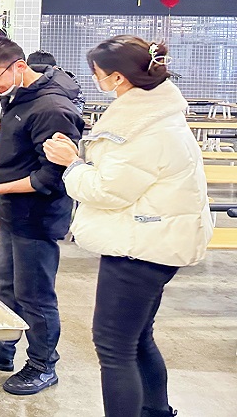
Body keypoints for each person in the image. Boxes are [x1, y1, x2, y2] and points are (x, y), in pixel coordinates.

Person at [43, 36, 212, 417]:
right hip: (154, 239)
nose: (94, 79)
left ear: (117, 77)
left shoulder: (144, 128)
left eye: (97, 73)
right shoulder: (155, 114)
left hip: (140, 246)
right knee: (137, 339)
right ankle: (156, 410)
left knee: (114, 346)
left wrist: (71, 164)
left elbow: (107, 191)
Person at [0, 37, 85, 396]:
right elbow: (19, 159)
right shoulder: (17, 96)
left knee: (35, 294)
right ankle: (0, 347)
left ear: (19, 66)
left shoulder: (52, 109)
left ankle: (43, 365)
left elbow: (50, 178)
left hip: (38, 218)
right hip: (15, 211)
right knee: (6, 283)